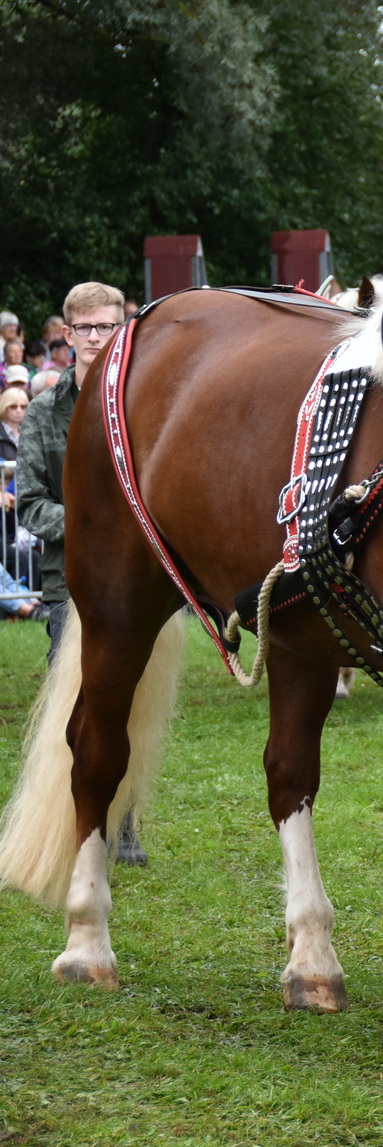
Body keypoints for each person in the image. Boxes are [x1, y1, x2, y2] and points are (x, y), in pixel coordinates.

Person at [17, 281, 149, 865]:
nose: (98, 338)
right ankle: (74, 822)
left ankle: (123, 827)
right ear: (67, 335)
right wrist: (95, 525)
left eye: (108, 327)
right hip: (67, 584)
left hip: (140, 584)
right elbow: (30, 504)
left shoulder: (141, 399)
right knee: (78, 707)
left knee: (133, 706)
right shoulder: (45, 411)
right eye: (87, 328)